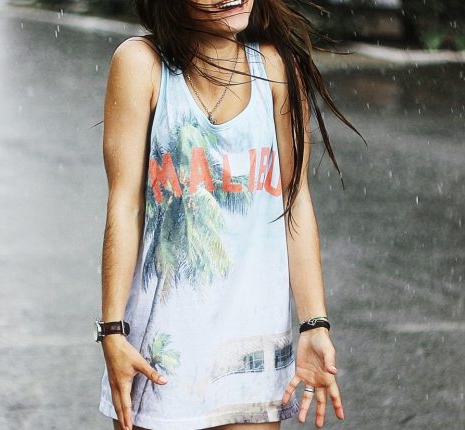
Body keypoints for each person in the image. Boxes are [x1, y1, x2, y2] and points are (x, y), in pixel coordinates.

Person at [96, 0, 362, 428]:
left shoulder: (276, 68)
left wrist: (315, 324)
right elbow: (125, 206)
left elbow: (294, 200)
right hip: (163, 351)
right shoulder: (141, 65)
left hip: (252, 348)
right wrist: (111, 331)